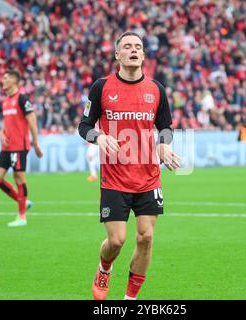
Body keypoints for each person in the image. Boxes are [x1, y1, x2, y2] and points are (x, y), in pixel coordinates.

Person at [78, 31, 181, 300]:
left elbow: (166, 127)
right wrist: (98, 137)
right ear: (118, 55)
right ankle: (104, 267)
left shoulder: (156, 89)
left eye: (138, 46)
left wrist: (164, 143)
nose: (133, 50)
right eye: (127, 46)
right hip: (114, 179)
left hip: (148, 178)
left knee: (145, 238)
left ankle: (129, 300)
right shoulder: (101, 87)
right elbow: (84, 126)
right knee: (116, 241)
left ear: (143, 54)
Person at [0, 69, 43, 227]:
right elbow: (6, 122)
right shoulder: (5, 101)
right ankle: (23, 201)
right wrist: (1, 132)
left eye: (6, 78)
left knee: (19, 178)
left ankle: (22, 217)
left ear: (14, 81)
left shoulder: (22, 98)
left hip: (19, 146)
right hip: (6, 147)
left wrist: (35, 142)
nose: (3, 80)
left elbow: (32, 119)